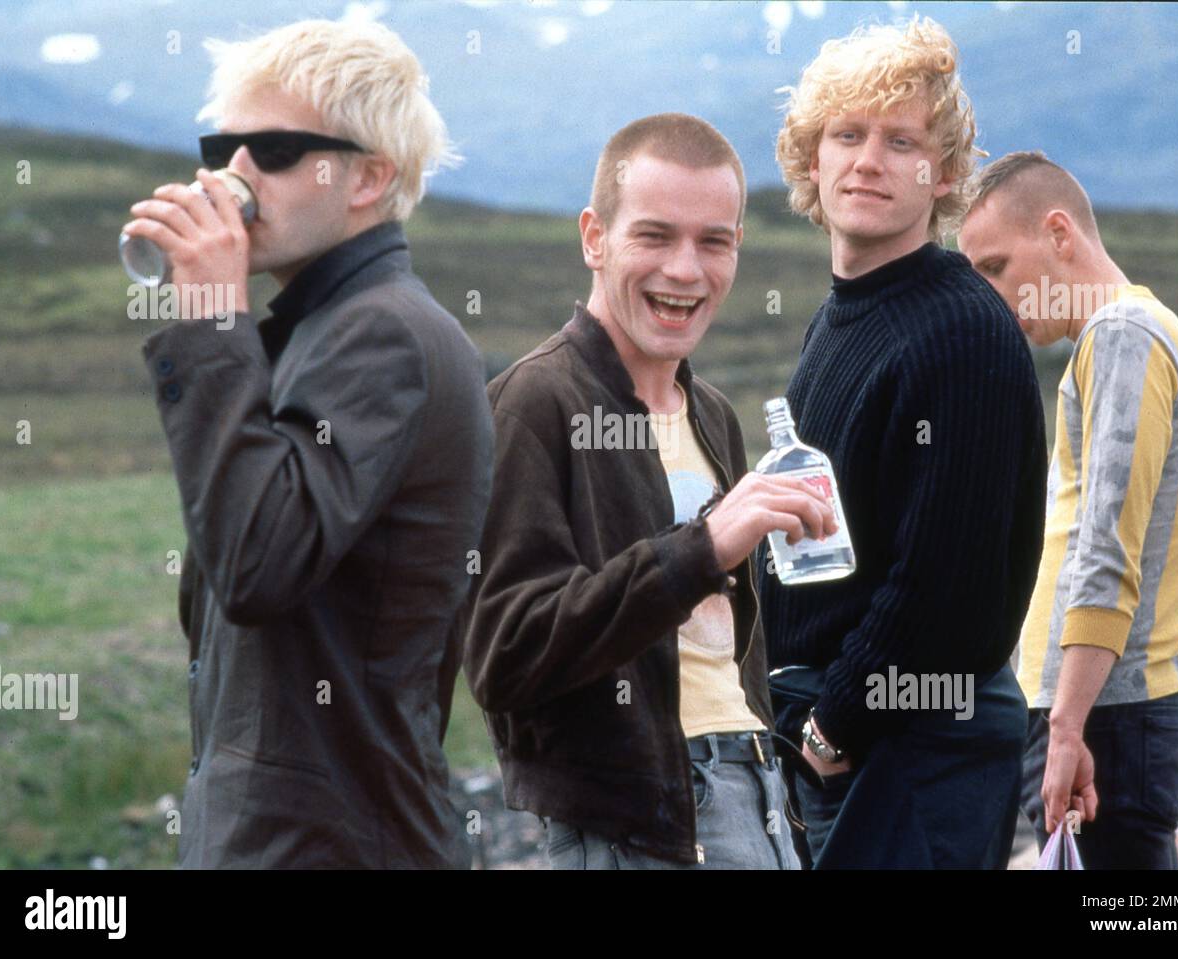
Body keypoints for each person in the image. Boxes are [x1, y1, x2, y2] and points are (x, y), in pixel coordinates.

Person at [125, 19, 492, 868]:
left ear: (369, 177)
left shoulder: (383, 335)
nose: (235, 176)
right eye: (223, 147)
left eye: (277, 149)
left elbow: (257, 562)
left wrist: (212, 319)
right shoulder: (323, 327)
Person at [463, 113, 836, 869]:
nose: (686, 271)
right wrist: (700, 550)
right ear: (594, 239)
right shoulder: (532, 405)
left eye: (714, 241)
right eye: (655, 236)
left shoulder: (714, 414)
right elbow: (505, 654)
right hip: (639, 823)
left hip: (758, 793)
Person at [760, 15, 1048, 868]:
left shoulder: (959, 329)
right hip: (854, 742)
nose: (867, 159)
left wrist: (830, 724)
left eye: (901, 140)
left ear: (946, 171)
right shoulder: (842, 316)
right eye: (845, 134)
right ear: (813, 160)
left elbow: (946, 586)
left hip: (910, 749)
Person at [958, 150, 1178, 869]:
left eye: (995, 266)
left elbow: (1106, 550)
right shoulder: (1134, 332)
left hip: (1109, 718)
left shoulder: (1123, 336)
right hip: (1115, 714)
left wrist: (1067, 726)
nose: (988, 293)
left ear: (1060, 235)